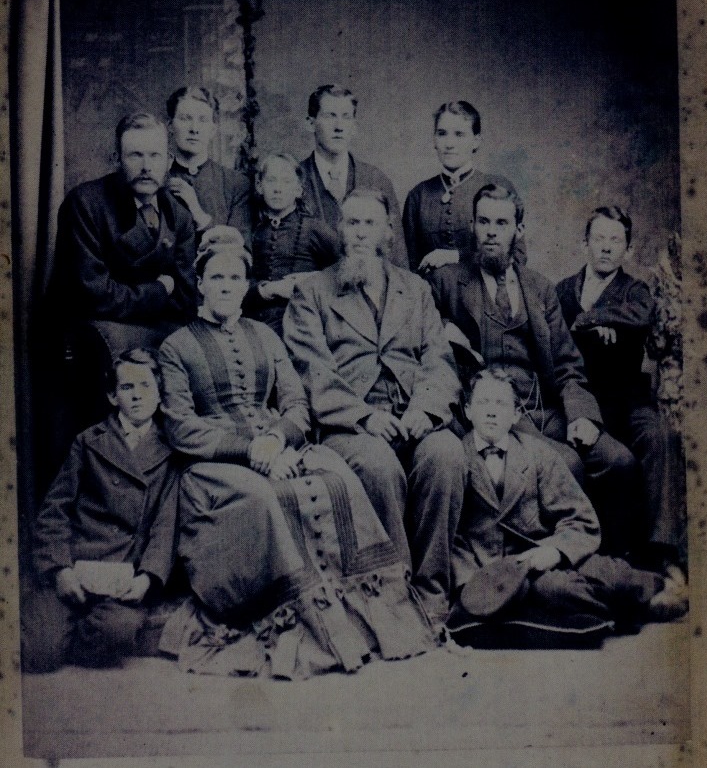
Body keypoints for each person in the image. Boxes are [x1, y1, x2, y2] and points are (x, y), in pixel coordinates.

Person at [157, 226, 435, 679]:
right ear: (201, 283)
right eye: (217, 278)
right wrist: (251, 450)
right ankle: (304, 620)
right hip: (212, 465)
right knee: (266, 498)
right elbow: (180, 425)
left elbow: (295, 403)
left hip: (276, 445)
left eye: (235, 279)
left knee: (339, 478)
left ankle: (361, 620)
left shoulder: (266, 337)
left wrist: (277, 441)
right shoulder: (176, 346)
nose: (227, 287)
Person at [429, 181, 641, 556]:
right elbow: (425, 341)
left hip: (545, 406)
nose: (491, 232)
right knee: (567, 462)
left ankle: (615, 560)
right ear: (473, 226)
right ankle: (569, 559)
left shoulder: (540, 288)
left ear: (519, 229)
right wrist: (447, 330)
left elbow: (567, 362)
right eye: (483, 222)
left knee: (618, 461)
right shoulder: (448, 282)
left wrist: (581, 416)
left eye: (501, 223)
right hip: (496, 410)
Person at [283, 192, 465, 625]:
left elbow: (439, 360)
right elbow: (312, 370)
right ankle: (396, 595)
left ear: (387, 232)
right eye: (352, 223)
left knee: (447, 454)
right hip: (350, 424)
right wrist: (364, 416)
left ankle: (432, 589)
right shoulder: (312, 291)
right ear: (340, 229)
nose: (360, 234)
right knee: (378, 464)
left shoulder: (415, 290)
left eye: (369, 224)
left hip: (412, 414)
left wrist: (425, 410)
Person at [449, 368, 687, 630]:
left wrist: (555, 551)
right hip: (494, 573)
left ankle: (655, 588)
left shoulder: (538, 453)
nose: (491, 412)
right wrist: (470, 583)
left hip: (545, 552)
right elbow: (451, 535)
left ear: (516, 414)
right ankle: (630, 611)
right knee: (556, 589)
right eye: (483, 402)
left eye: (500, 404)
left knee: (602, 571)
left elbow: (579, 517)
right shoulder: (456, 460)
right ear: (468, 410)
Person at [22, 349, 180, 673]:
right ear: (112, 396)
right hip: (77, 562)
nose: (137, 395)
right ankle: (57, 628)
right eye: (127, 387)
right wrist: (60, 570)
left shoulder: (170, 453)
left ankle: (76, 635)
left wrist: (147, 579)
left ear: (160, 395)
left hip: (122, 573)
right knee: (37, 654)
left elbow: (166, 527)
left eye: (145, 386)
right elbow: (54, 511)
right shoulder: (88, 441)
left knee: (116, 633)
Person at [556, 206, 687, 576]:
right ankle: (597, 549)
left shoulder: (635, 291)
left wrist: (590, 319)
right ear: (584, 244)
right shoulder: (563, 290)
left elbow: (641, 316)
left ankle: (662, 552)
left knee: (658, 436)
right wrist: (595, 329)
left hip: (628, 399)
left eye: (615, 241)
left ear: (628, 250)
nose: (606, 247)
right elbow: (556, 338)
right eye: (599, 238)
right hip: (582, 398)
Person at [48, 111, 197, 333]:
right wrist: (160, 288)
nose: (146, 167)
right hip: (92, 334)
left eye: (155, 156)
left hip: (161, 334)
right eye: (135, 155)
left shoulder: (179, 216)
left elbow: (184, 301)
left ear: (168, 162)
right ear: (117, 159)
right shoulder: (85, 204)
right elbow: (93, 296)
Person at [403, 100, 522, 275]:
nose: (449, 143)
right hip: (430, 292)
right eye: (442, 134)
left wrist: (456, 256)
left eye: (459, 134)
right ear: (434, 140)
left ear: (476, 141)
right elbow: (408, 267)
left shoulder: (498, 187)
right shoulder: (418, 195)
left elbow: (517, 256)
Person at [299, 84, 408, 267]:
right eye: (330, 116)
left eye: (346, 117)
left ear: (354, 127)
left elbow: (397, 257)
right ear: (311, 123)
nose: (339, 127)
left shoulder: (377, 180)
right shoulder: (293, 180)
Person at [243, 153, 341, 336]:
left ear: (298, 190)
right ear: (259, 186)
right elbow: (238, 281)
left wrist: (314, 277)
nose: (278, 189)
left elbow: (344, 268)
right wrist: (267, 289)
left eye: (286, 181)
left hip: (303, 324)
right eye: (271, 180)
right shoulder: (252, 229)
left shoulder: (314, 228)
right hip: (255, 324)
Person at [166, 86, 253, 243]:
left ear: (213, 130)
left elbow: (240, 248)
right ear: (170, 126)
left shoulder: (236, 184)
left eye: (203, 120)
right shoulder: (158, 181)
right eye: (185, 118)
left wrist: (199, 215)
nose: (194, 129)